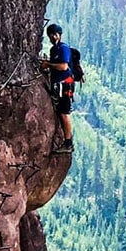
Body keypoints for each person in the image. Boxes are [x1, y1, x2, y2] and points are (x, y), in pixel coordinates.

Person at [41, 21, 77, 154]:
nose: (52, 37)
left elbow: (63, 66)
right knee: (60, 111)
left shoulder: (63, 48)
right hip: (58, 84)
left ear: (59, 35)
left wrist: (48, 65)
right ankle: (66, 139)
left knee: (64, 113)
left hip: (65, 84)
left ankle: (68, 143)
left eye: (54, 34)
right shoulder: (53, 49)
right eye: (50, 35)